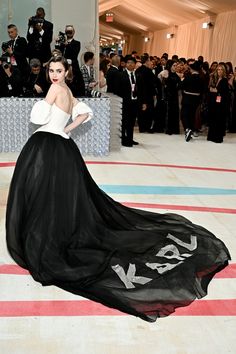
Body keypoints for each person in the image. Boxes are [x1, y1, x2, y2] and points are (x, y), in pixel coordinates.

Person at [6, 55, 230, 324]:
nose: (54, 75)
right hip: (63, 147)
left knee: (42, 196)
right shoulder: (67, 90)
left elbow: (38, 116)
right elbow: (85, 113)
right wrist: (66, 129)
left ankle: (47, 237)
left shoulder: (55, 89)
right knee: (62, 197)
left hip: (46, 146)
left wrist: (48, 104)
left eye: (58, 70)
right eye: (51, 70)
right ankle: (58, 230)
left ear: (66, 71)